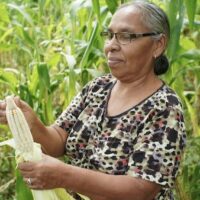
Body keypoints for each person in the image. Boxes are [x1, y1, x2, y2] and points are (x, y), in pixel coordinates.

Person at [0, 1, 186, 200]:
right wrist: (31, 123)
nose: (111, 46)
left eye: (125, 36)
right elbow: (59, 140)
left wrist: (64, 176)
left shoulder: (165, 107)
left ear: (158, 45)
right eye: (109, 35)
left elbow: (141, 189)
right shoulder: (98, 88)